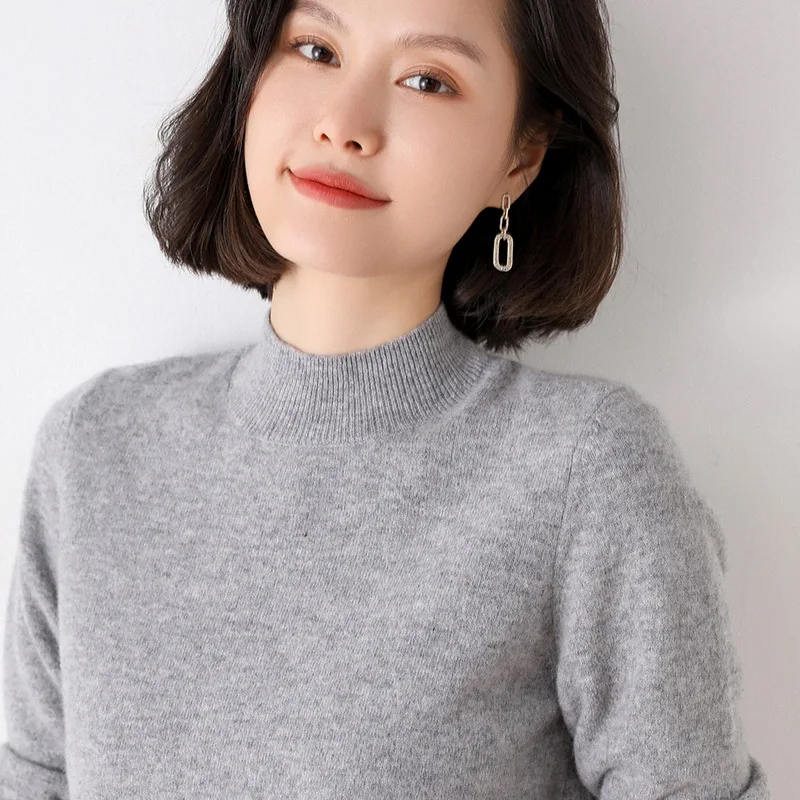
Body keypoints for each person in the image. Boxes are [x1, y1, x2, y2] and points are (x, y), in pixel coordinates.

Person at [1, 0, 772, 796]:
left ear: (521, 156)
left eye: (428, 80)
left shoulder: (586, 473)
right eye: (315, 49)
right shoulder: (95, 450)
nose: (345, 124)